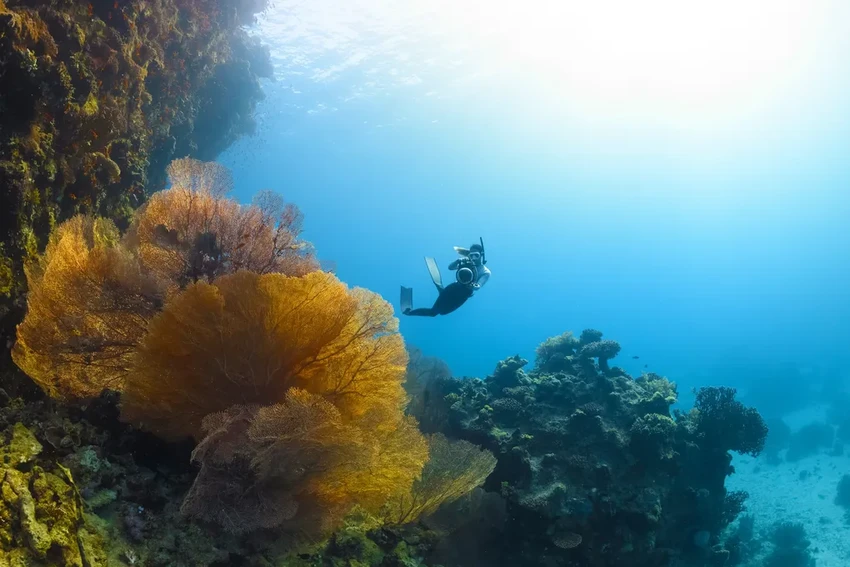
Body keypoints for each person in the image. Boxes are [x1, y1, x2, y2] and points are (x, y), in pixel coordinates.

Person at [401, 238, 490, 317]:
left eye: (476, 255)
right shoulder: (465, 262)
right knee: (433, 313)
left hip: (464, 294)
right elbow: (450, 268)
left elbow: (478, 286)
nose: (473, 258)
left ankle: (441, 291)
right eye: (471, 255)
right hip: (454, 287)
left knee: (443, 312)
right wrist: (458, 261)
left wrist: (474, 286)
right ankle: (409, 312)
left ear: (481, 254)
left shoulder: (485, 272)